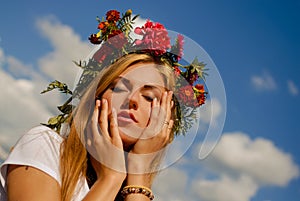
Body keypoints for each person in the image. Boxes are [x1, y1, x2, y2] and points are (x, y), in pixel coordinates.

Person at [0, 9, 207, 201]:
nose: (132, 99)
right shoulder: (45, 147)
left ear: (164, 121)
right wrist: (111, 177)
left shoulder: (136, 193)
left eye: (149, 97)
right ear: (95, 99)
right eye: (117, 88)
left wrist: (138, 181)